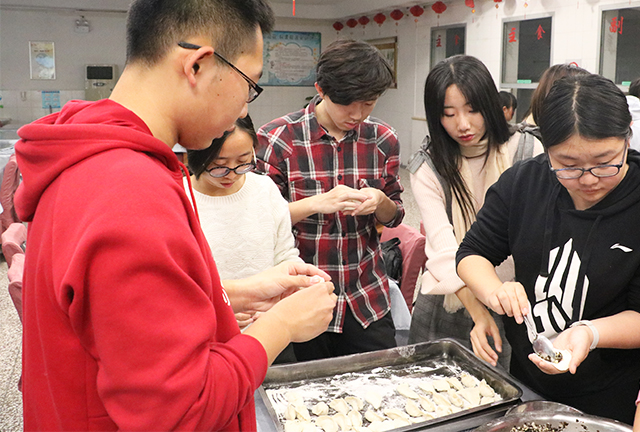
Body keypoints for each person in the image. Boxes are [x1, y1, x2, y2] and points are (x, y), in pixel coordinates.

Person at [14, 1, 337, 430]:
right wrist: (283, 325)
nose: (244, 110)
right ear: (197, 66)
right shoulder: (129, 191)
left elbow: (122, 322)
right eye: (249, 85)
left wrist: (234, 295)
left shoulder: (90, 154)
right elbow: (182, 410)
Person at [457, 73, 640, 424]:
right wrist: (495, 291)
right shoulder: (524, 182)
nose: (588, 178)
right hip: (526, 382)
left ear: (627, 136)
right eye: (568, 166)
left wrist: (589, 333)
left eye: (605, 162)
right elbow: (471, 254)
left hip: (611, 392)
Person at [256, 39, 404, 361]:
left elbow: (394, 215)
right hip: (302, 297)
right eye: (346, 104)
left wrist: (380, 201)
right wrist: (316, 203)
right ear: (320, 89)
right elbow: (259, 222)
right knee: (306, 387)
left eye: (368, 103)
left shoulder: (383, 139)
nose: (357, 114)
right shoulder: (278, 140)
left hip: (365, 295)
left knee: (381, 379)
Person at [406, 55, 543, 370]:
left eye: (472, 110)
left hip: (519, 302)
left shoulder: (526, 150)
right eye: (449, 114)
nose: (463, 124)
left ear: (490, 105)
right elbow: (444, 250)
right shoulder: (428, 165)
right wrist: (479, 313)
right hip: (451, 300)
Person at [185, 115, 303, 362]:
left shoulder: (264, 189)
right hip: (209, 338)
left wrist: (284, 297)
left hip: (270, 330)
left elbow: (285, 255)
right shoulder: (180, 198)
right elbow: (178, 282)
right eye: (219, 165)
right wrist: (224, 308)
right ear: (197, 155)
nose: (232, 174)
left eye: (243, 162)